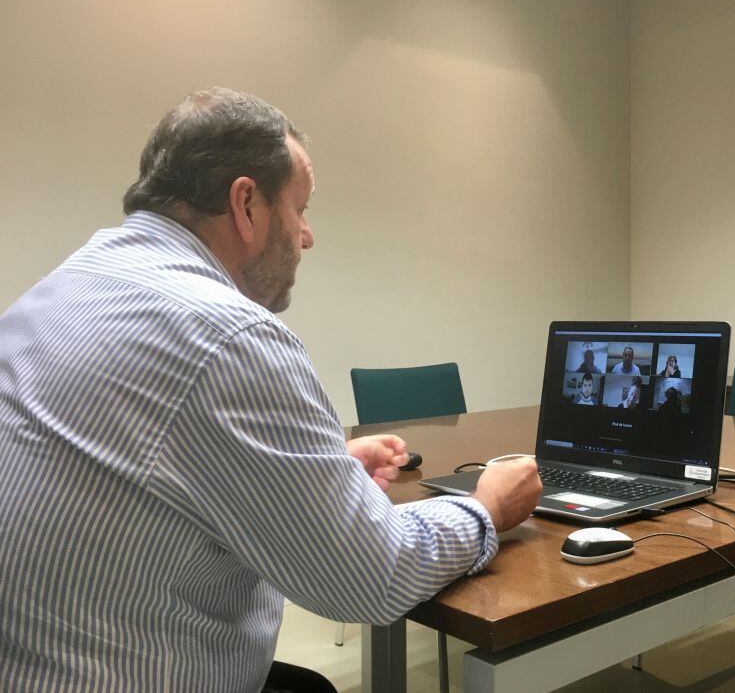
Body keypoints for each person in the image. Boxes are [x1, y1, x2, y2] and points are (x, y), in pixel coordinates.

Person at [0, 87, 542, 692]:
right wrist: (488, 506)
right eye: (300, 209)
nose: (306, 236)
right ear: (247, 204)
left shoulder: (60, 289)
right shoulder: (229, 336)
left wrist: (318, 471)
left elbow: (144, 468)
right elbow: (370, 580)